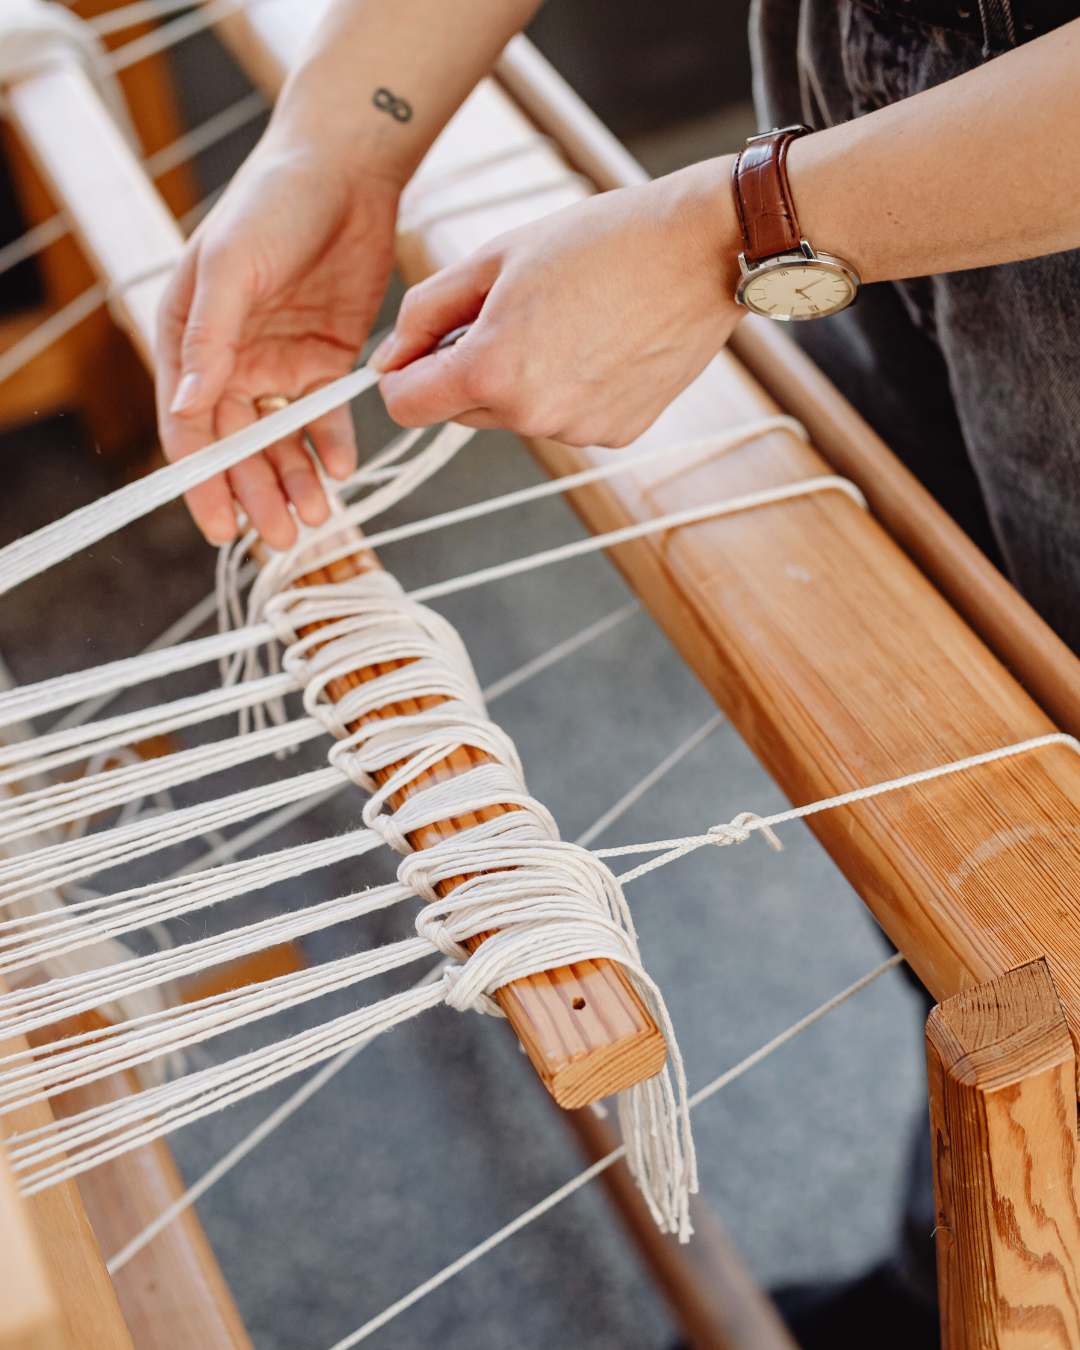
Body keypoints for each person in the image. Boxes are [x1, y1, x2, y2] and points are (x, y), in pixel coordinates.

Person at [154, 1, 1080, 1344]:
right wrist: (335, 145)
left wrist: (736, 233)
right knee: (963, 825)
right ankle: (961, 1265)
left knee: (1037, 897)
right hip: (874, 84)